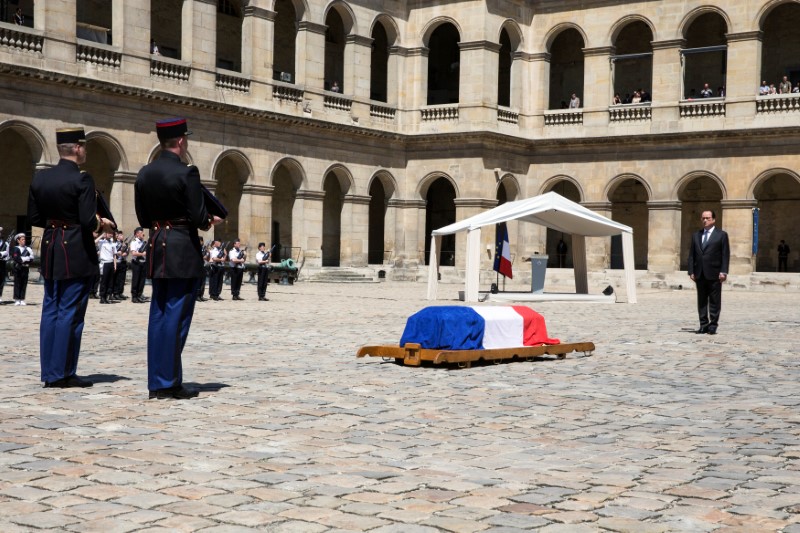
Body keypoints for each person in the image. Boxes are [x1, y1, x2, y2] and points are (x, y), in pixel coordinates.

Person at [134, 117, 221, 400]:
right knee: (177, 315)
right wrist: (210, 221)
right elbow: (198, 217)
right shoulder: (187, 173)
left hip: (157, 244)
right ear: (181, 141)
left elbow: (144, 218)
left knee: (158, 314)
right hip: (182, 247)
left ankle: (156, 380)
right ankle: (168, 382)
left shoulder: (144, 173)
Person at [28, 127, 115, 387]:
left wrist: (58, 222)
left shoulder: (40, 178)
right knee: (70, 312)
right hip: (75, 248)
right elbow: (89, 220)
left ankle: (49, 371)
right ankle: (62, 373)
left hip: (52, 246)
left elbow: (34, 219)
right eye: (84, 146)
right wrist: (104, 224)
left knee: (51, 309)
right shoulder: (83, 180)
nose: (85, 150)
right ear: (77, 148)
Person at [687, 210, 730, 335]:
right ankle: (703, 325)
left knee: (714, 301)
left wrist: (724, 271)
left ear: (714, 219)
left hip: (715, 273)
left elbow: (725, 254)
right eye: (703, 218)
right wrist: (691, 271)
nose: (705, 220)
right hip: (699, 273)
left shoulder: (721, 235)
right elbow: (692, 255)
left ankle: (713, 325)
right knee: (701, 301)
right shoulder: (696, 235)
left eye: (708, 218)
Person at [11, 233, 33, 305]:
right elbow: (16, 258)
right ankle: (17, 299)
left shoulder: (28, 249)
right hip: (18, 268)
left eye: (24, 239)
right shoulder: (16, 248)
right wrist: (26, 258)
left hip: (25, 268)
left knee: (24, 283)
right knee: (17, 283)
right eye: (22, 239)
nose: (24, 241)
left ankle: (22, 298)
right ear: (18, 240)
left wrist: (26, 259)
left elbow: (31, 259)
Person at [97, 230, 117, 304]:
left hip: (111, 263)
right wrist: (101, 236)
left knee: (110, 281)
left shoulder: (113, 243)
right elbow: (94, 242)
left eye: (112, 233)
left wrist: (115, 265)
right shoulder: (102, 242)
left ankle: (107, 296)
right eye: (109, 233)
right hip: (105, 263)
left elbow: (114, 254)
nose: (110, 235)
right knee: (104, 281)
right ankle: (102, 297)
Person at [129, 227, 148, 303]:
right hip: (136, 263)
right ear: (137, 234)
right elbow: (133, 253)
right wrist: (142, 253)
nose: (143, 234)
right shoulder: (134, 242)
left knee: (142, 280)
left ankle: (139, 295)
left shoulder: (143, 242)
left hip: (143, 262)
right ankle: (134, 296)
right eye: (141, 232)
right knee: (136, 280)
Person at [112, 230, 129, 300]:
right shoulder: (115, 243)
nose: (122, 236)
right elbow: (114, 252)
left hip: (123, 262)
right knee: (117, 279)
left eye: (122, 235)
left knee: (122, 279)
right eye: (121, 235)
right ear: (117, 236)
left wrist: (126, 253)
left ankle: (120, 292)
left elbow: (127, 251)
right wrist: (119, 252)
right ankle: (115, 293)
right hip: (117, 262)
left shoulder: (124, 244)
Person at [0, 227, 8, 303]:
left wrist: (1, 254)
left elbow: (7, 253)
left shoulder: (5, 243)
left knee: (1, 280)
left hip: (2, 263)